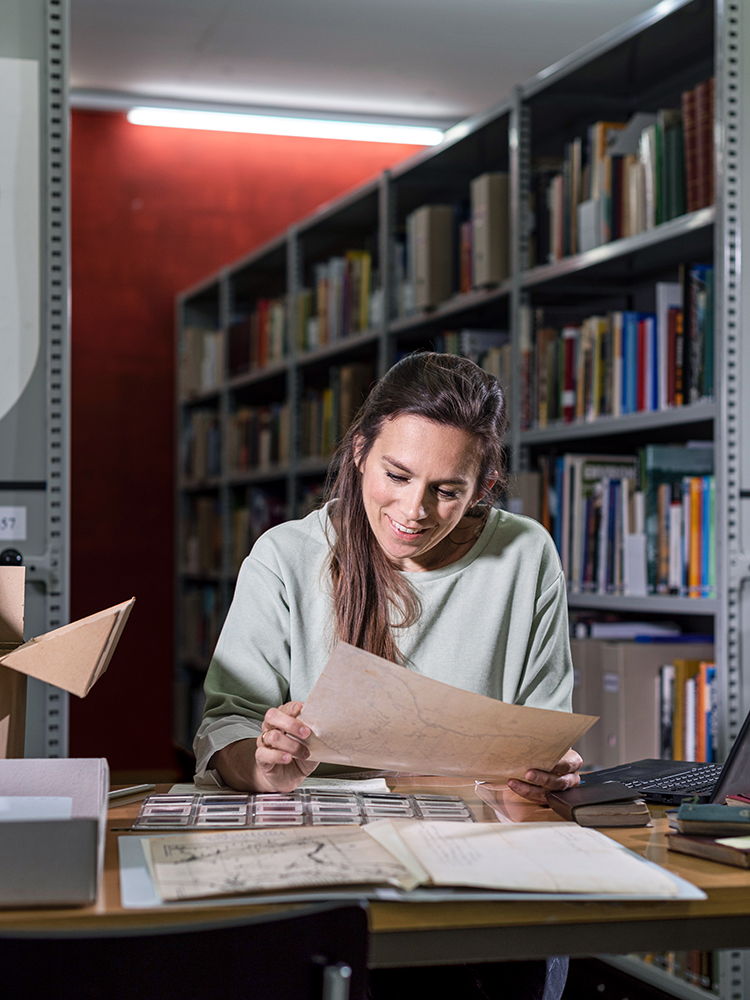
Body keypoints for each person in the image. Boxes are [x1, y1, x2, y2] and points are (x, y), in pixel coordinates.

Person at [194, 351, 580, 997]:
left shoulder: (525, 553)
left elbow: (543, 727)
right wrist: (262, 763)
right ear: (359, 453)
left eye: (447, 490)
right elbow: (226, 722)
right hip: (322, 860)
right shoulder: (287, 556)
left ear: (483, 487)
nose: (414, 510)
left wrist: (551, 767)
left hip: (478, 864)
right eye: (396, 475)